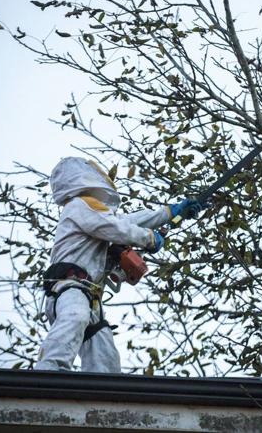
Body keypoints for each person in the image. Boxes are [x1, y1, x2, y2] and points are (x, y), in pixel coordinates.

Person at [35, 156, 203, 373]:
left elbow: (126, 222)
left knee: (105, 352)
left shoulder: (93, 210)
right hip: (69, 288)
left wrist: (170, 212)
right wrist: (149, 238)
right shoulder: (78, 206)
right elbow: (116, 228)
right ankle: (48, 372)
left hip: (87, 296)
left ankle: (104, 393)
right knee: (75, 318)